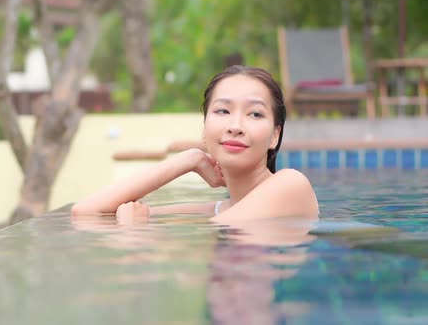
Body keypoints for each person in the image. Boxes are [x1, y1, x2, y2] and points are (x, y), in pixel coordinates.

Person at [71, 65, 318, 222]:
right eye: (223, 111)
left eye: (255, 114)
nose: (235, 125)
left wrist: (135, 232)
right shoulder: (221, 209)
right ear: (204, 128)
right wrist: (189, 159)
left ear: (275, 135)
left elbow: (211, 242)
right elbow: (85, 212)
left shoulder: (291, 184)